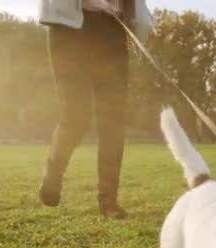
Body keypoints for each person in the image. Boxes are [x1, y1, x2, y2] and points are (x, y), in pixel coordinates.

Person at [37, 0, 153, 219]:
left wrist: (140, 32)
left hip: (112, 30)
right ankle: (53, 174)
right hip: (68, 28)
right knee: (76, 114)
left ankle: (108, 201)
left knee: (113, 121)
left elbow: (139, 9)